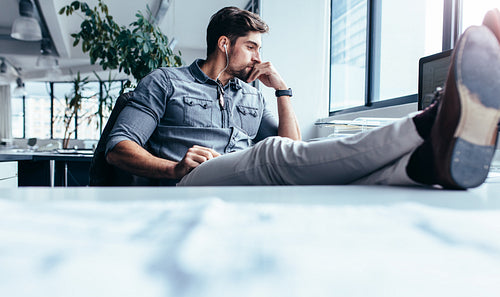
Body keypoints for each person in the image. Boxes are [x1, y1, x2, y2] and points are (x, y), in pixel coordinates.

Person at [105, 7, 500, 189]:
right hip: (190, 183)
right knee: (269, 154)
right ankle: (431, 121)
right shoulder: (166, 82)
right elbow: (118, 148)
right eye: (252, 47)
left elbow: (294, 149)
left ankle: (422, 165)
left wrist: (282, 91)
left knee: (338, 171)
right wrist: (175, 167)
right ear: (224, 45)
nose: (260, 57)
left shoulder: (251, 96)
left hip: (240, 182)